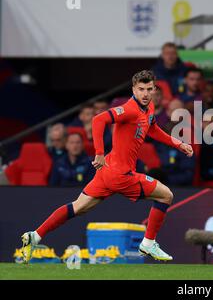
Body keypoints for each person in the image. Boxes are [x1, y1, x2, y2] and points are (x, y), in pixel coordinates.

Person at [20, 70, 194, 263]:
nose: (145, 93)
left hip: (108, 172)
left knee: (79, 207)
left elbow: (152, 129)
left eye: (149, 89)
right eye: (141, 89)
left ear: (154, 90)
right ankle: (148, 242)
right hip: (120, 174)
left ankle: (34, 236)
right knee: (166, 195)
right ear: (133, 89)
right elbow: (98, 120)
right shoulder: (129, 110)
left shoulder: (149, 107)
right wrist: (99, 153)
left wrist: (178, 143)